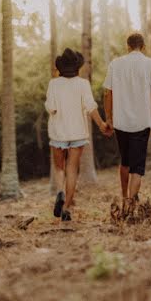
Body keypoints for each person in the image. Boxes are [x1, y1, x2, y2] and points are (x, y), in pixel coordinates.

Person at [103, 32, 151, 217]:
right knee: (137, 167)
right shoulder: (150, 64)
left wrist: (108, 118)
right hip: (141, 122)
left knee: (125, 162)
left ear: (128, 46)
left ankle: (125, 198)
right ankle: (130, 207)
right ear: (144, 46)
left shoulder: (115, 64)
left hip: (121, 122)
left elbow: (107, 93)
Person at [45, 48, 108, 221]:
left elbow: (51, 107)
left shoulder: (53, 84)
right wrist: (102, 124)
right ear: (77, 67)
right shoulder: (82, 84)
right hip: (78, 133)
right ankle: (66, 209)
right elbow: (91, 106)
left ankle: (60, 192)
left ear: (60, 68)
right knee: (72, 170)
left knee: (59, 168)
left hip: (58, 134)